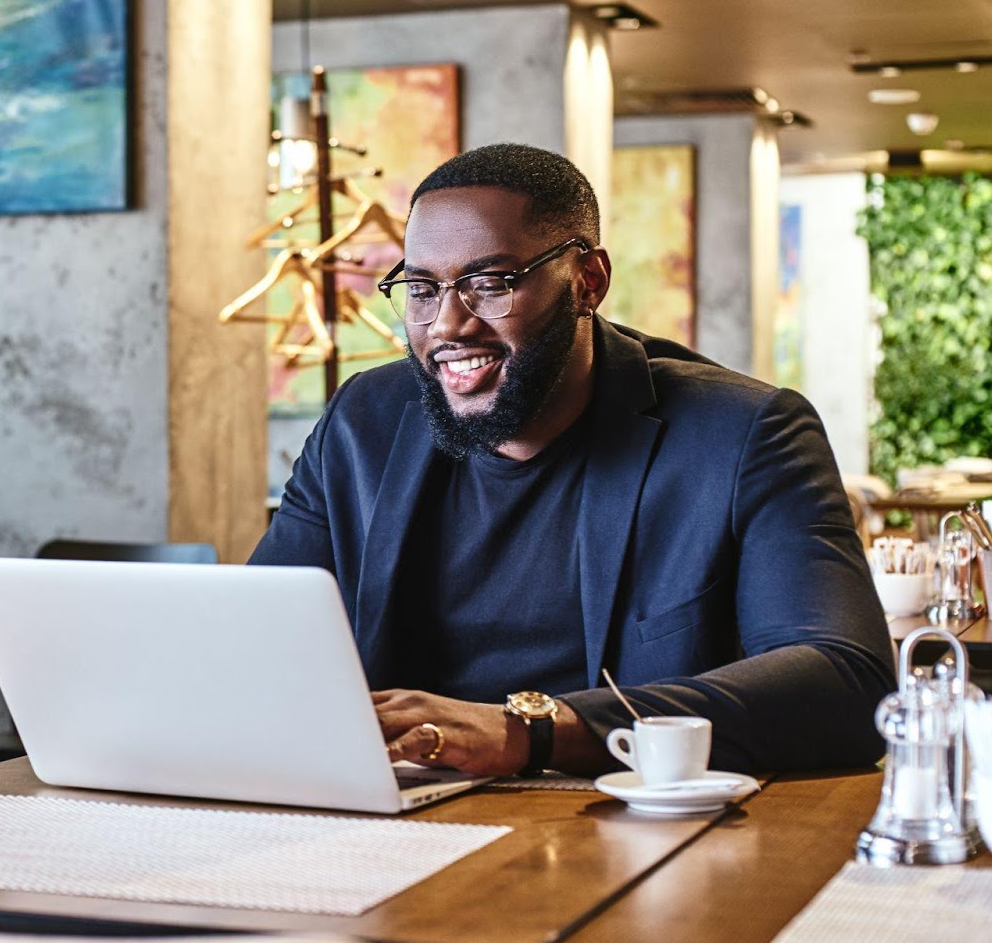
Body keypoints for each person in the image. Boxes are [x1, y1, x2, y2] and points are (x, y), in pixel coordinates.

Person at [250, 143, 895, 778]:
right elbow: (256, 640)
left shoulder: (743, 433)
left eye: (490, 283)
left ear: (588, 282)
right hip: (394, 814)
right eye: (421, 289)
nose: (448, 325)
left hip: (623, 827)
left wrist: (529, 733)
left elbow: (845, 681)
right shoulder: (365, 423)